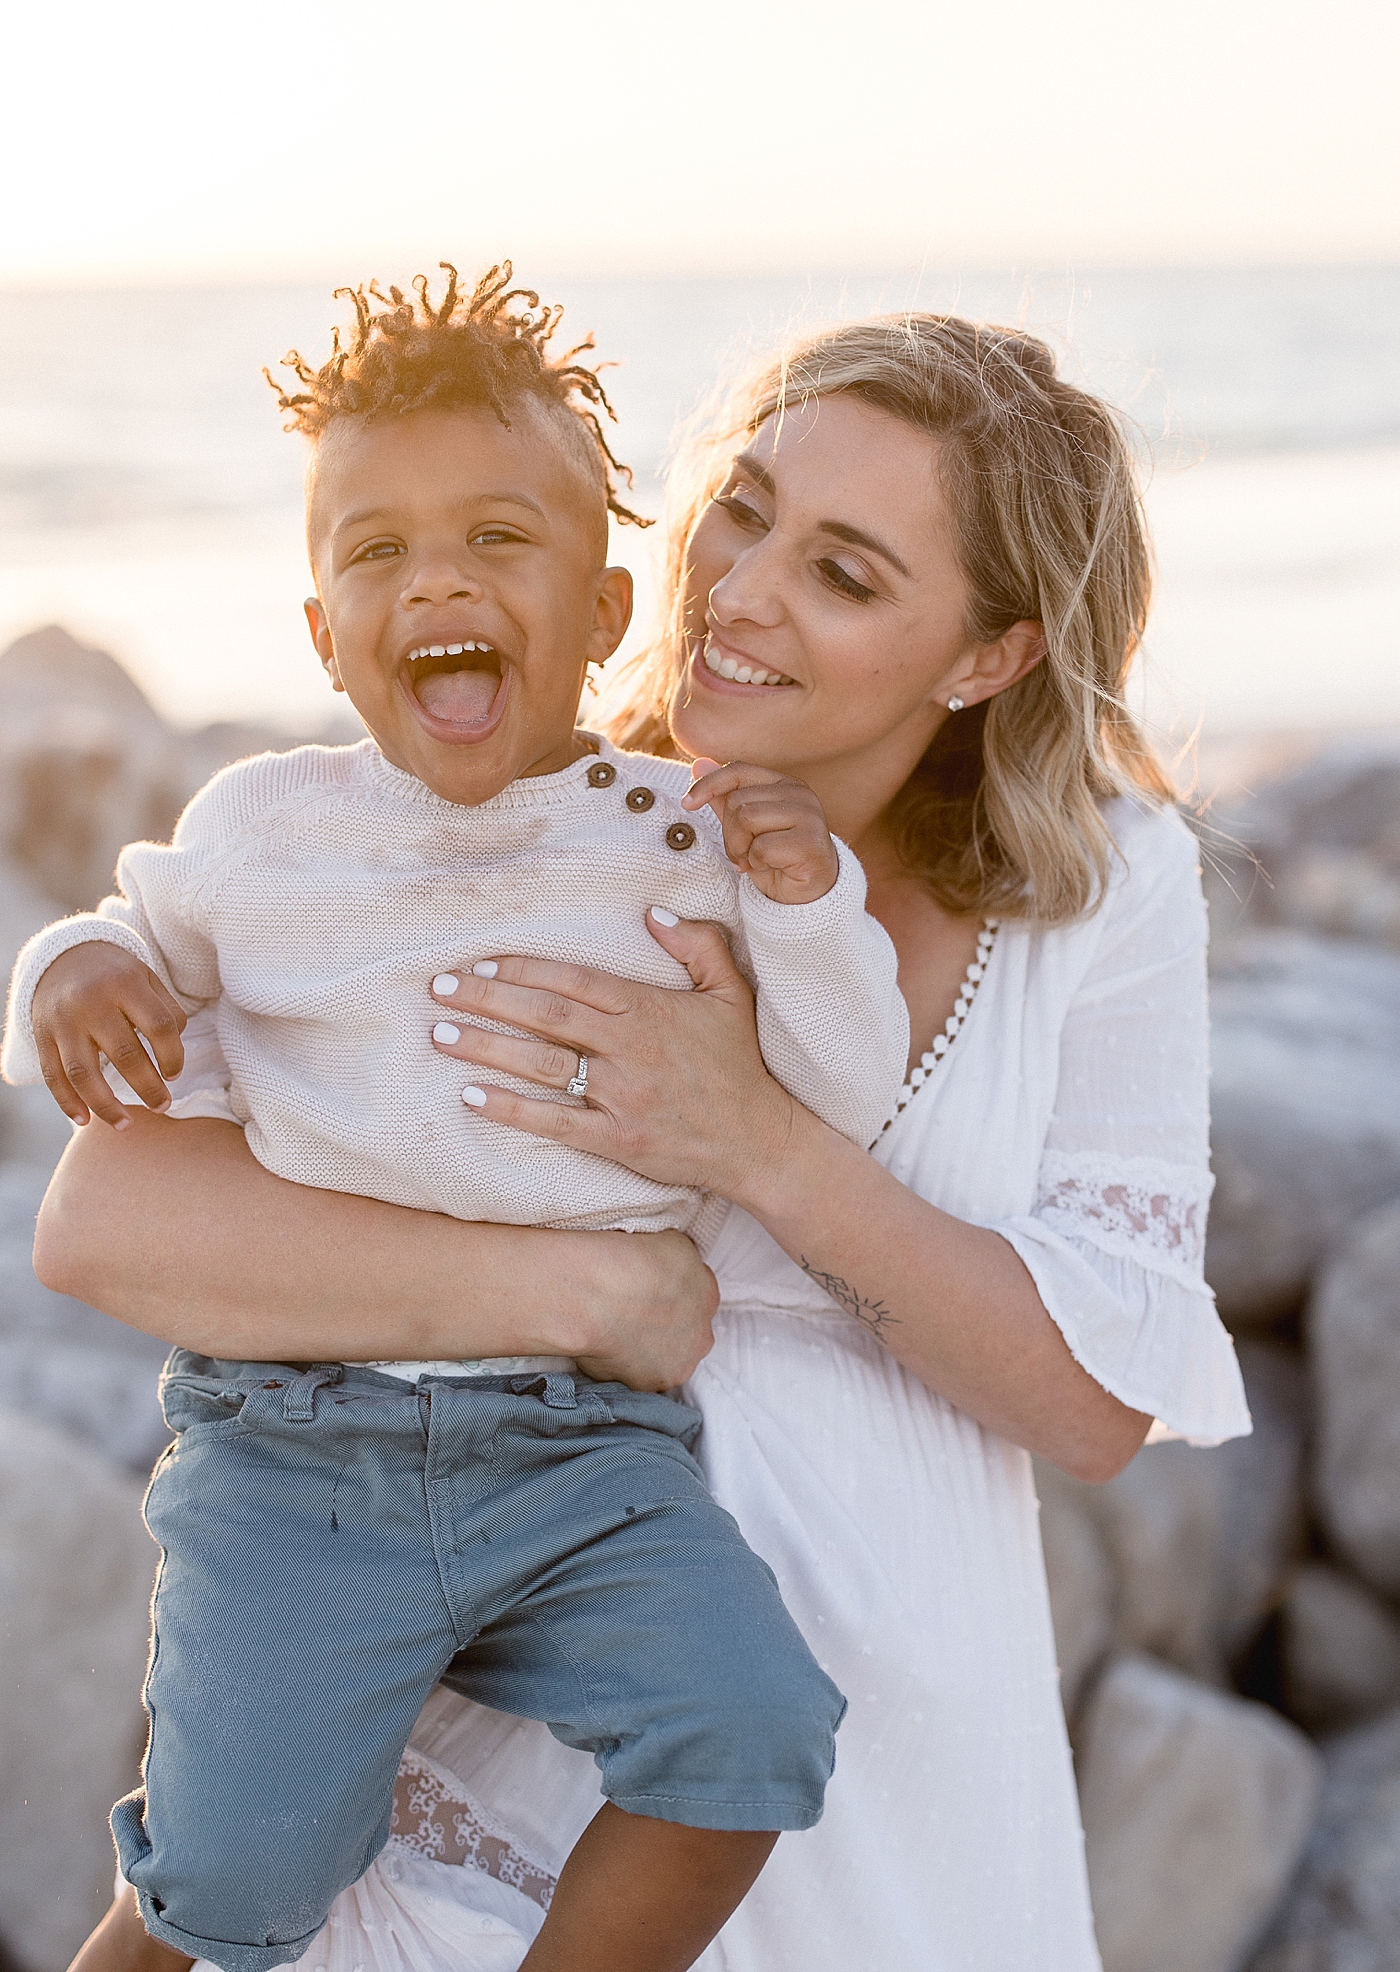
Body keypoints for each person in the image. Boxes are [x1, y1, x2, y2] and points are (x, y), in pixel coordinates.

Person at [32, 308, 1252, 1972]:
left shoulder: (1105, 890)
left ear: (990, 654)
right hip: (524, 1679)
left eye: (844, 573)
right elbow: (107, 1224)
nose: (739, 592)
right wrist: (589, 1300)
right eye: (741, 510)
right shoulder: (519, 822)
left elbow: (1101, 1400)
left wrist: (758, 1143)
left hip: (890, 1732)